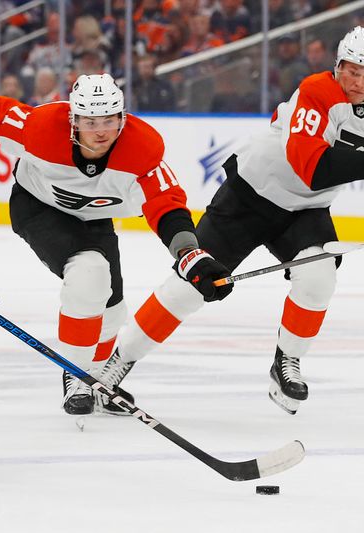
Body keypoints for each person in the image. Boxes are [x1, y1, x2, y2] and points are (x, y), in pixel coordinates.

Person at [107, 27, 364, 416]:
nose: (357, 82)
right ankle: (115, 365)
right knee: (188, 289)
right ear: (337, 66)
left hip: (306, 210)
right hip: (251, 194)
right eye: (351, 70)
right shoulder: (318, 91)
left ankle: (286, 362)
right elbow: (311, 169)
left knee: (319, 276)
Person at [0, 74, 233, 416]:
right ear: (73, 120)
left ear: (122, 117)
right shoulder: (39, 128)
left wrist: (190, 255)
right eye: (90, 121)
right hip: (38, 208)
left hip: (94, 219)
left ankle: (98, 381)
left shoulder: (142, 149)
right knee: (90, 274)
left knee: (113, 313)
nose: (101, 131)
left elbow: (167, 204)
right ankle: (78, 375)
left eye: (110, 121)